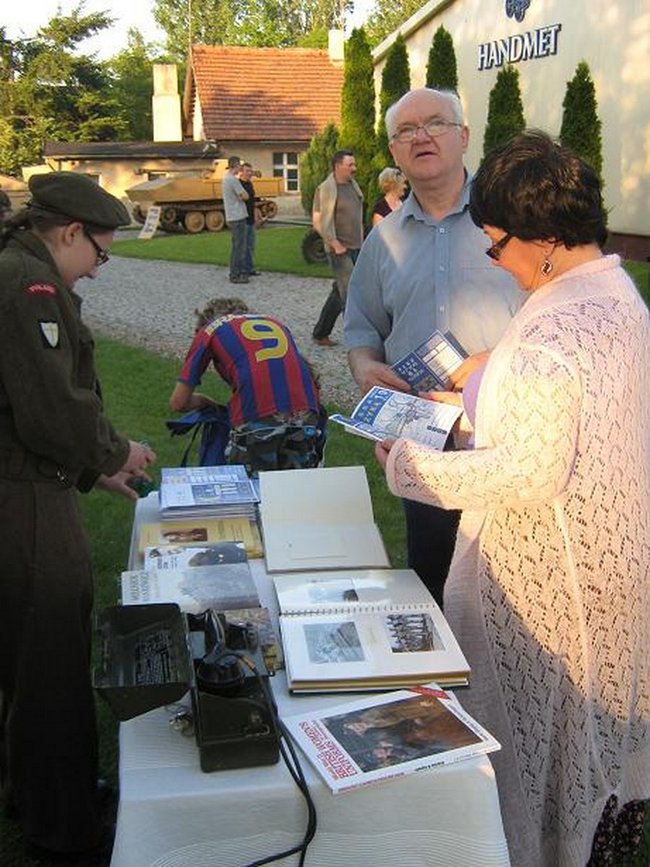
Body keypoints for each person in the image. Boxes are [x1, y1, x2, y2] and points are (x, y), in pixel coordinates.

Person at [375, 131, 650, 867]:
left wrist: (410, 465)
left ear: (546, 238)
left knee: (542, 771)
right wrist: (473, 413)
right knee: (589, 760)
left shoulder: (551, 328)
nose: (495, 259)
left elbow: (529, 471)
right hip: (612, 568)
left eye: (497, 244)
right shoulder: (616, 294)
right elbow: (572, 423)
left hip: (554, 592)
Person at [0, 171, 156, 862]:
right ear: (69, 233)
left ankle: (35, 791)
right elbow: (51, 410)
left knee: (26, 662)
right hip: (24, 500)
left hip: (27, 484)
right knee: (51, 667)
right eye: (100, 253)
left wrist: (97, 470)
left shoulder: (20, 270)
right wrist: (116, 451)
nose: (96, 268)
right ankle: (64, 831)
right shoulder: (28, 286)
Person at [344, 87, 524, 606]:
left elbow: (554, 320)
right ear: (394, 152)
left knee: (511, 591)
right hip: (423, 438)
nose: (421, 136)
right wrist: (365, 367)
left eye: (436, 123)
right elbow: (361, 329)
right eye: (406, 130)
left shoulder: (514, 221)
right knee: (430, 581)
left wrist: (496, 364)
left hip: (503, 435)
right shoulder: (383, 242)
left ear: (464, 137)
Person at [169, 297, 326, 474]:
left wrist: (205, 402)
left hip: (257, 411)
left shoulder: (209, 330)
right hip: (306, 408)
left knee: (249, 483)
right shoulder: (273, 322)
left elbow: (178, 402)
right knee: (295, 483)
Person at [311, 150, 364, 347]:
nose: (354, 168)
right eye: (350, 165)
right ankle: (357, 340)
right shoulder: (326, 189)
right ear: (338, 166)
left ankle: (320, 333)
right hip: (339, 249)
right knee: (350, 294)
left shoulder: (353, 186)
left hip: (356, 246)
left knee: (339, 291)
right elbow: (319, 221)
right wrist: (334, 243)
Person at [222, 155, 250, 284]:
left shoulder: (226, 179)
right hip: (237, 216)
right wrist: (243, 196)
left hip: (232, 215)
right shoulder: (233, 180)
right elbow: (245, 196)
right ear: (236, 165)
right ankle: (235, 274)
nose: (241, 168)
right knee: (239, 247)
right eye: (240, 165)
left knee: (237, 245)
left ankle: (236, 272)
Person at [238, 162, 261, 278]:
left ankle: (250, 268)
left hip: (251, 218)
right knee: (243, 246)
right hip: (243, 218)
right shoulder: (238, 184)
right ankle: (242, 270)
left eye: (250, 171)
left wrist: (256, 213)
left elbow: (252, 201)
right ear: (241, 172)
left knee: (250, 245)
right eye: (247, 171)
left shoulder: (250, 184)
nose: (249, 173)